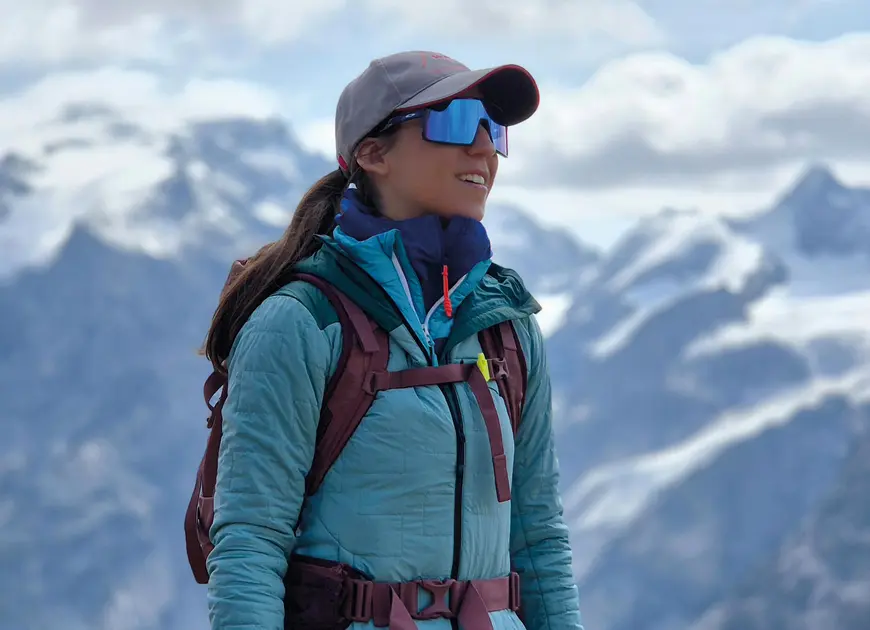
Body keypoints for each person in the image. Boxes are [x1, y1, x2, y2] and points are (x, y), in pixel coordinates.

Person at [202, 50, 584, 630]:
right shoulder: (301, 323)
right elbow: (250, 542)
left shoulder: (507, 327)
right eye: (455, 122)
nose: (483, 148)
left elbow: (539, 539)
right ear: (372, 153)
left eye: (492, 129)